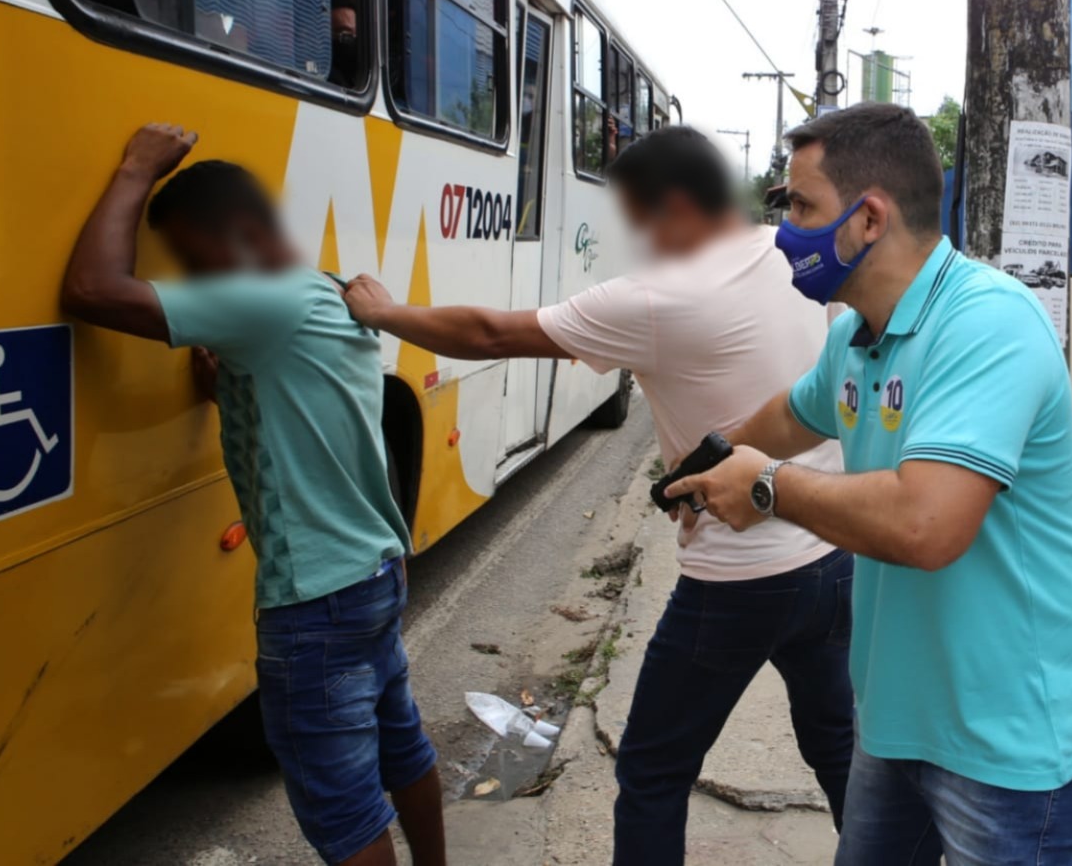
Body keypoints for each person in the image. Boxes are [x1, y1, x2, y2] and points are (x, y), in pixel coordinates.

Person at [343, 126, 854, 866]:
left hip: (737, 580)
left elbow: (490, 334)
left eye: (640, 220)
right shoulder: (791, 251)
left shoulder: (658, 298)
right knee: (837, 744)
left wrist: (384, 314)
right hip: (829, 553)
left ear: (676, 205)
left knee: (652, 770)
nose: (638, 240)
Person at [666, 103, 1072, 865]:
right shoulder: (854, 334)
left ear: (868, 219)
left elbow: (924, 525)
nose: (785, 232)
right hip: (897, 717)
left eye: (801, 206)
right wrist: (711, 462)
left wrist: (766, 488)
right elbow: (794, 414)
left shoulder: (988, 322)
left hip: (1006, 737)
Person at [60, 124, 446, 866]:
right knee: (402, 747)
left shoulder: (264, 303)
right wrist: (229, 390)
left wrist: (137, 168)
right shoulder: (326, 293)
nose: (192, 282)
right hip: (374, 573)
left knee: (344, 811)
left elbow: (91, 291)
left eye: (191, 260)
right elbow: (303, 404)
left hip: (315, 602)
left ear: (239, 234)